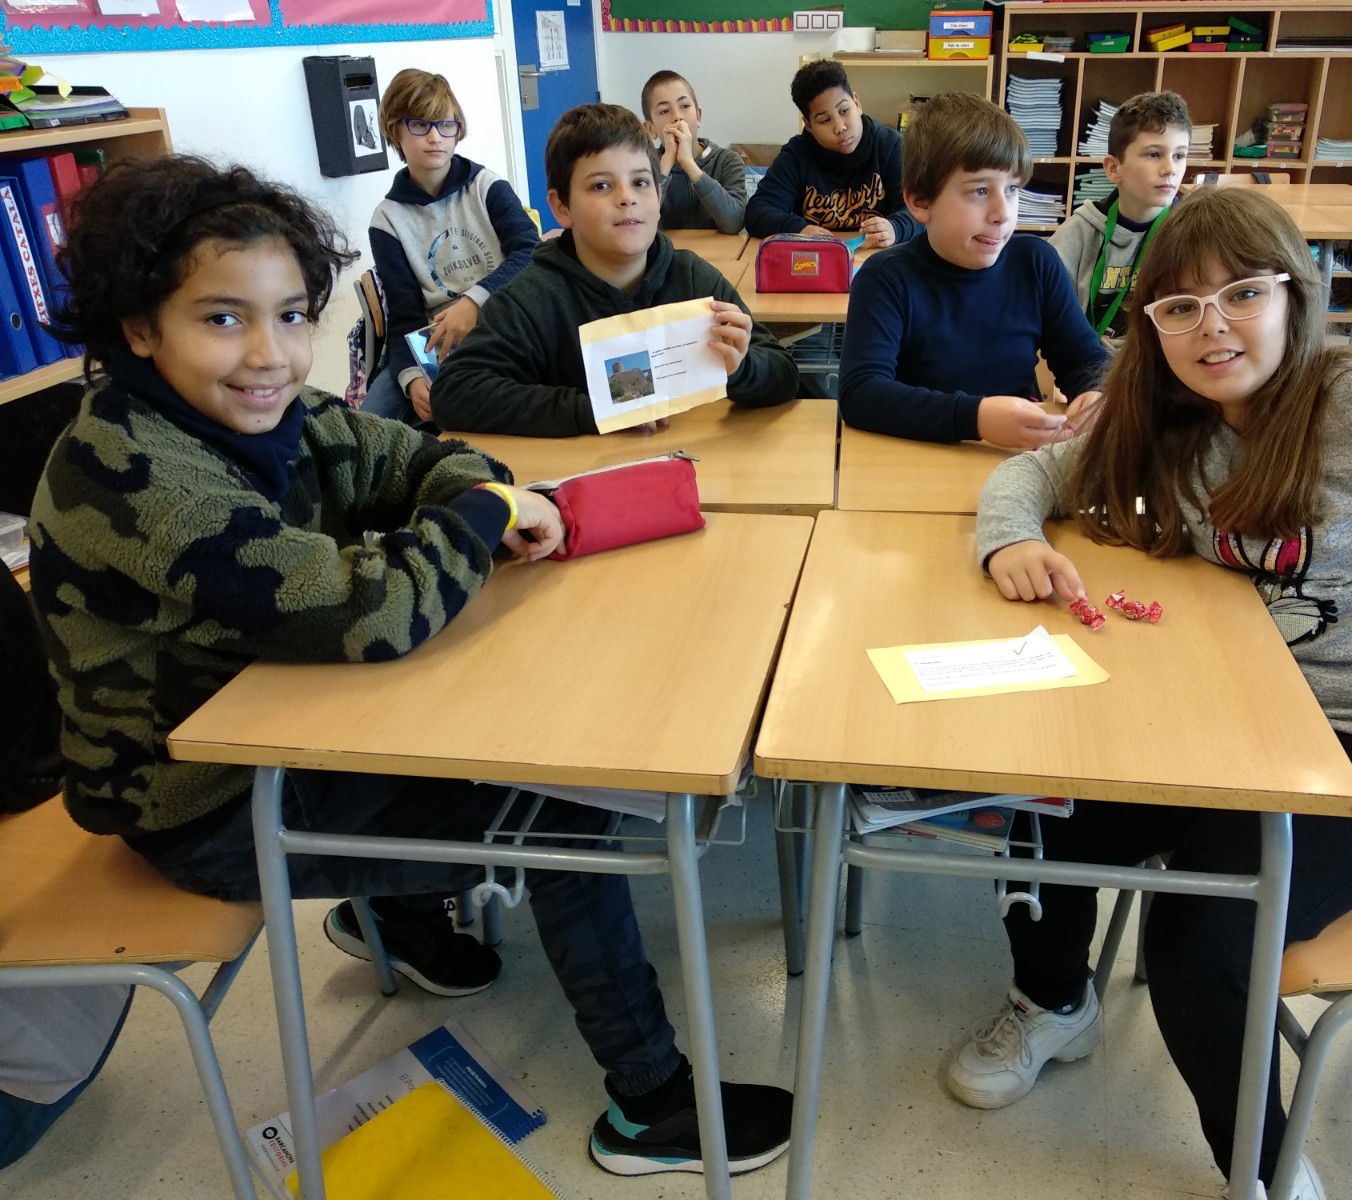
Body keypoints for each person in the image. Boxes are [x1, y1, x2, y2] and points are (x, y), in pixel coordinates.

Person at [28, 155, 793, 1178]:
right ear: (137, 326)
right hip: (202, 802)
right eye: (221, 319)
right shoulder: (133, 473)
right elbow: (373, 611)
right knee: (568, 817)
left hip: (284, 719)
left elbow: (419, 453)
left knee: (496, 706)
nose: (268, 354)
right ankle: (649, 1108)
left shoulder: (264, 413)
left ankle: (395, 916)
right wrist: (481, 514)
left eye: (291, 316)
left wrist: (474, 496)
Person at [966, 186, 1352, 1200]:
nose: (1211, 326)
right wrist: (1010, 541)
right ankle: (1055, 1004)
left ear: (1295, 295)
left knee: (1207, 942)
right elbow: (1037, 473)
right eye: (1180, 306)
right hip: (1237, 708)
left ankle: (1259, 1173)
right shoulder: (1171, 417)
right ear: (1151, 325)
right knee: (1047, 811)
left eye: (1243, 294)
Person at [430, 103, 797, 437]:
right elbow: (454, 393)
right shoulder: (529, 299)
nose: (626, 197)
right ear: (562, 208)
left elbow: (783, 374)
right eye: (601, 185)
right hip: (582, 475)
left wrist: (743, 367)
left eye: (640, 182)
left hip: (694, 465)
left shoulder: (692, 277)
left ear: (658, 196)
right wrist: (594, 411)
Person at [838, 92, 1108, 448]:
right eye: (980, 191)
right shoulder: (886, 278)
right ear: (920, 201)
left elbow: (1086, 361)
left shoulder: (1036, 263)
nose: (1003, 213)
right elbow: (860, 394)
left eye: (1012, 189)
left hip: (1016, 457)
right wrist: (975, 418)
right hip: (917, 456)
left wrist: (1095, 393)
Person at [365, 68, 540, 424]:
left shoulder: (486, 186)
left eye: (446, 125)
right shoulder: (387, 220)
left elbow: (529, 252)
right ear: (395, 131)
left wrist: (474, 301)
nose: (435, 137)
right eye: (420, 125)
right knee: (369, 421)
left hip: (505, 322)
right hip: (436, 344)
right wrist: (412, 377)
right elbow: (404, 316)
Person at [1049, 90, 1191, 343]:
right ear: (1114, 168)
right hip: (1089, 359)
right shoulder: (1079, 232)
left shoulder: (1192, 233)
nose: (1170, 168)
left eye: (1179, 155)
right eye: (1154, 154)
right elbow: (1049, 315)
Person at [744, 59, 918, 249]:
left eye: (844, 110)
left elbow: (921, 209)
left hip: (879, 257)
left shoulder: (890, 146)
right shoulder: (796, 155)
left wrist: (895, 228)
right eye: (824, 120)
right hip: (818, 258)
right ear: (808, 125)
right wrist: (798, 229)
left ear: (857, 103)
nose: (840, 127)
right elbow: (758, 211)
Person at [641, 69, 747, 234]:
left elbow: (734, 223)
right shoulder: (643, 164)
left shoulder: (727, 160)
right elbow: (640, 221)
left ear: (698, 116)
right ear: (650, 128)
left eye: (684, 106)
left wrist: (688, 163)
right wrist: (665, 165)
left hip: (717, 249)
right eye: (664, 111)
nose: (677, 117)